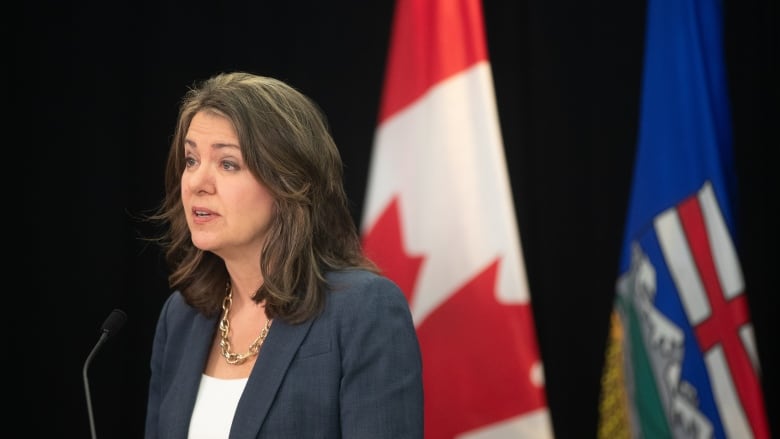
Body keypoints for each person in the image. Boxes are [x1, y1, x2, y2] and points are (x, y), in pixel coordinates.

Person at [143, 71, 424, 438]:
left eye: (228, 164)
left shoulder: (363, 311)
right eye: (191, 160)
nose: (196, 182)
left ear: (287, 184)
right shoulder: (182, 318)